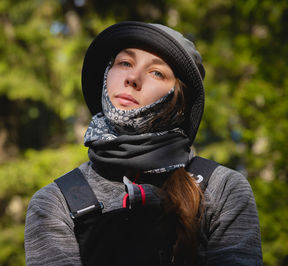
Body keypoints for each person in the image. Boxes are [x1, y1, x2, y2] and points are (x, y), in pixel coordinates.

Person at [24, 21, 262, 266]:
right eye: (125, 63)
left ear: (179, 103)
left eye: (156, 72)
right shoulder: (56, 201)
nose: (133, 78)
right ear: (106, 75)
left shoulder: (222, 189)